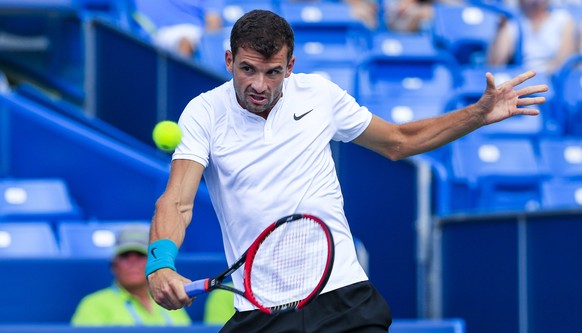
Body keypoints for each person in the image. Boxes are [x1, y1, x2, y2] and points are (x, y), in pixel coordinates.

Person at [145, 9, 547, 332]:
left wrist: (476, 115)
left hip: (341, 298)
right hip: (259, 307)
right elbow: (177, 201)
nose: (260, 85)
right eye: (248, 69)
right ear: (229, 60)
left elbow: (398, 141)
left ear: (290, 66)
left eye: (273, 72)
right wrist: (160, 262)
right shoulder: (203, 112)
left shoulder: (319, 95)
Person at [71, 224, 191, 326]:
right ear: (114, 265)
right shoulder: (93, 304)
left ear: (152, 264)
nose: (132, 263)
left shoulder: (169, 299)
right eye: (125, 256)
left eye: (140, 256)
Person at [487, 0, 577, 75]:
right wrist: (501, 28)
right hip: (523, 78)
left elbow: (564, 62)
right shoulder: (513, 23)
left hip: (553, 79)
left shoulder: (562, 19)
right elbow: (496, 63)